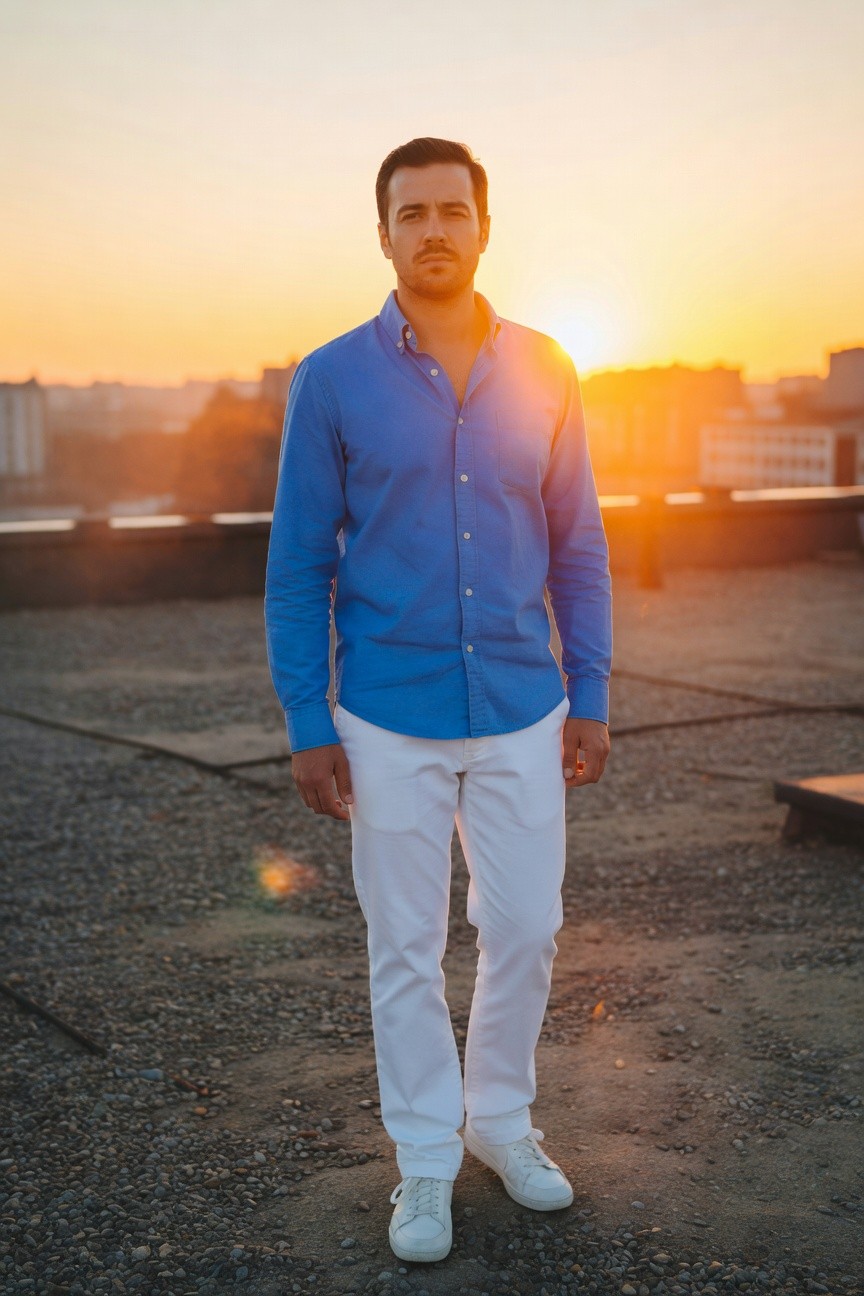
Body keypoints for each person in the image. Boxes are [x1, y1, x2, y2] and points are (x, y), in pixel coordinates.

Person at [264, 137, 612, 1264]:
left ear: (483, 225)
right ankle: (424, 1159)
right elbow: (297, 563)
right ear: (383, 233)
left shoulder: (550, 368)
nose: (434, 230)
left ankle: (502, 1123)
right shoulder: (332, 378)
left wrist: (592, 688)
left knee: (527, 928)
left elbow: (580, 549)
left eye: (452, 209)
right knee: (403, 944)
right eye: (410, 213)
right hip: (383, 710)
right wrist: (309, 720)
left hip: (522, 700)